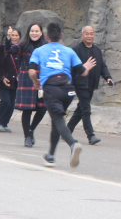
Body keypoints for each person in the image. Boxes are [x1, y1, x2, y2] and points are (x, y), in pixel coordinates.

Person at [28, 22, 96, 168]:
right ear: (62, 36)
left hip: (52, 88)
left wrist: (36, 82)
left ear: (46, 36)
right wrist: (87, 67)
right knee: (56, 121)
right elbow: (83, 72)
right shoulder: (69, 51)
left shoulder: (39, 51)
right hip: (68, 89)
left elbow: (32, 71)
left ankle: (73, 144)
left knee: (58, 119)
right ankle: (51, 155)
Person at [67, 25, 114, 145]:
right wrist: (82, 68)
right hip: (80, 84)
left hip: (92, 84)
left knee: (81, 109)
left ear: (94, 35)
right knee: (86, 109)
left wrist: (108, 78)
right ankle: (91, 135)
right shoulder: (76, 50)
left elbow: (102, 66)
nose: (89, 36)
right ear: (82, 35)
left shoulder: (97, 50)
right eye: (87, 33)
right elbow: (70, 67)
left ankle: (67, 131)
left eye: (91, 34)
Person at [8, 24, 47, 147]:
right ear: (29, 32)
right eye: (32, 31)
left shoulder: (46, 46)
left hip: (41, 80)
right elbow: (9, 50)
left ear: (41, 32)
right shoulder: (23, 45)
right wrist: (8, 38)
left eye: (37, 31)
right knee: (27, 110)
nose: (34, 33)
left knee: (43, 108)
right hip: (27, 80)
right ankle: (27, 137)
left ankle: (31, 129)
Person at [0, 27, 21, 132]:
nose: (14, 37)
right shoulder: (2, 48)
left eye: (16, 35)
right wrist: (2, 77)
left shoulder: (19, 49)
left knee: (12, 105)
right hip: (2, 81)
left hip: (14, 82)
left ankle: (4, 123)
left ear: (20, 37)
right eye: (12, 35)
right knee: (5, 102)